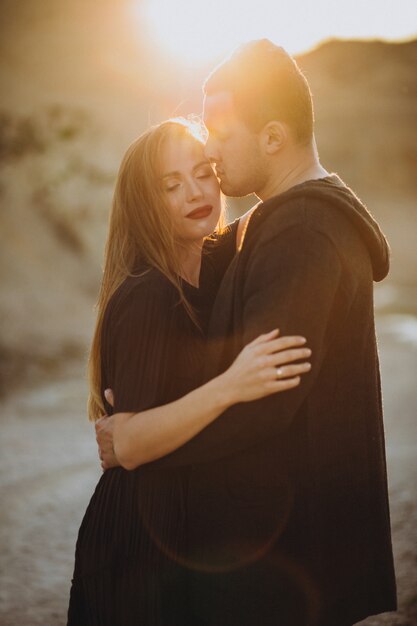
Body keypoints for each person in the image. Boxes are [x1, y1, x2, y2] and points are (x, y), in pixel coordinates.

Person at [99, 40, 397, 625]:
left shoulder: (304, 229)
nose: (209, 146)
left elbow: (267, 400)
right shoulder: (276, 221)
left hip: (287, 557)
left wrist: (140, 444)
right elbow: (189, 265)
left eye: (220, 131)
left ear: (272, 137)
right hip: (277, 547)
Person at [67, 117, 312, 625]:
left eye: (204, 174)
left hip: (192, 533)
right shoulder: (145, 294)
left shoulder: (218, 267)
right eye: (170, 185)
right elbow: (128, 443)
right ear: (144, 203)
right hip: (138, 539)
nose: (195, 193)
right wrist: (231, 385)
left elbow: (284, 211)